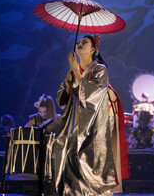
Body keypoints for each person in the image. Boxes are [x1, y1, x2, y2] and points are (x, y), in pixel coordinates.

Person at [54, 35, 130, 196]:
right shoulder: (72, 71)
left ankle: (96, 192)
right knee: (70, 155)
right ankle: (73, 192)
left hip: (98, 120)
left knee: (92, 158)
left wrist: (75, 70)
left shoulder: (100, 69)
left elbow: (92, 94)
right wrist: (68, 85)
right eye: (79, 42)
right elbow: (63, 100)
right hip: (79, 120)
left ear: (94, 50)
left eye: (85, 42)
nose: (80, 44)